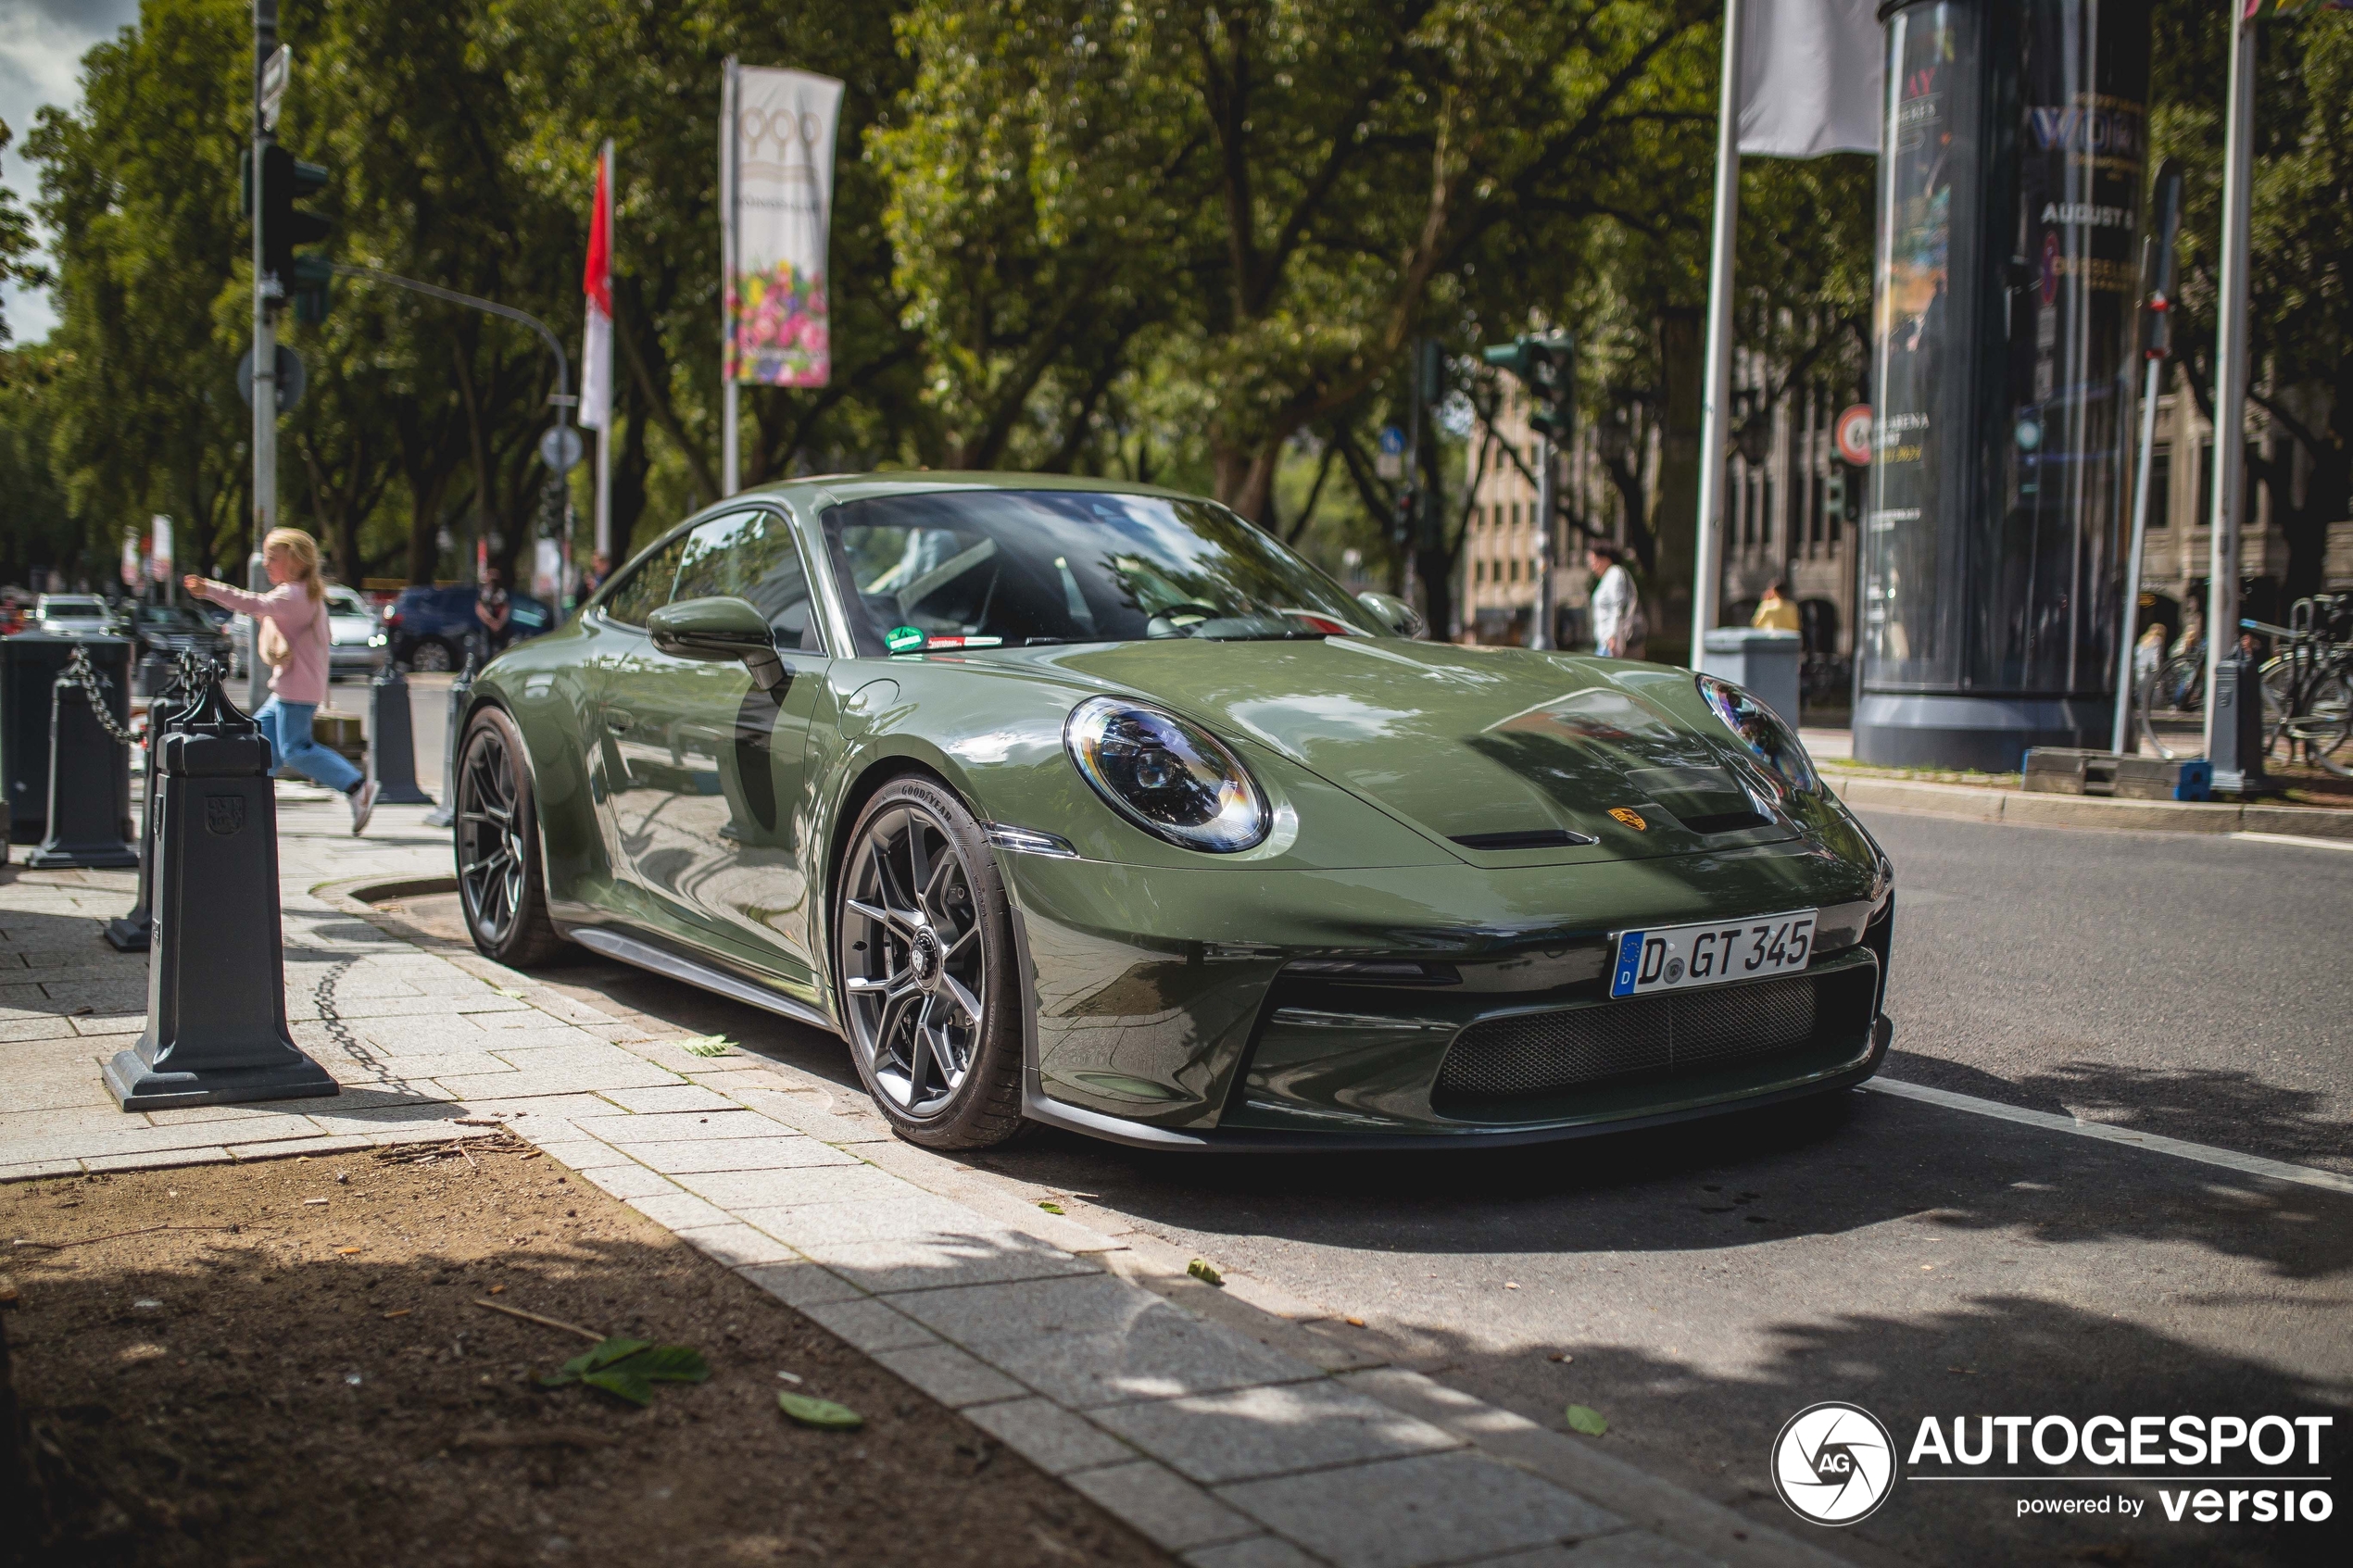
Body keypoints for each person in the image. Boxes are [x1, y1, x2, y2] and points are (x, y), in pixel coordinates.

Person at [184, 528, 377, 834]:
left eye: (273, 558)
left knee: (295, 749)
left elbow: (251, 603)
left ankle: (356, 786)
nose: (267, 565)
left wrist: (208, 588)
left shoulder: (293, 595)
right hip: (294, 687)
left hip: (296, 689)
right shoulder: (303, 593)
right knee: (258, 743)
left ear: (294, 561)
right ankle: (250, 804)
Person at [1586, 543, 1644, 659]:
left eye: (1594, 561)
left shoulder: (1615, 574)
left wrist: (1613, 637)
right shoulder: (1608, 577)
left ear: (1605, 559)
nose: (1592, 566)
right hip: (1606, 642)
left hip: (1612, 644)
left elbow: (1617, 606)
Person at [474, 567, 513, 661]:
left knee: (501, 650)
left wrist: (499, 623)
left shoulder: (502, 593)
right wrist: (491, 622)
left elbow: (506, 608)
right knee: (486, 652)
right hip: (487, 627)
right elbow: (479, 608)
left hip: (501, 627)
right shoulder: (484, 593)